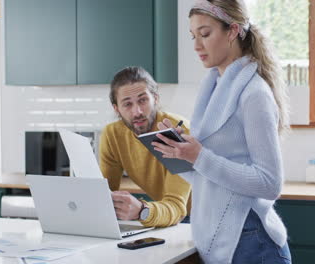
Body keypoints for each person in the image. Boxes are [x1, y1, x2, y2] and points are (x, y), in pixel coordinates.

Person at [152, 0, 292, 263]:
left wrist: (199, 156)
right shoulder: (214, 91)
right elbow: (209, 176)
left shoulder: (254, 94)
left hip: (253, 243)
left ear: (232, 31)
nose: (196, 46)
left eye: (205, 34)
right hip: (231, 239)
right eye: (193, 36)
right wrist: (181, 151)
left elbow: (270, 184)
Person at [99, 66, 191, 227]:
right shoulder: (112, 135)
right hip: (165, 216)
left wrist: (142, 210)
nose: (137, 112)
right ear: (116, 109)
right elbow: (104, 194)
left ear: (155, 98)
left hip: (202, 217)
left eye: (143, 100)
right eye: (127, 104)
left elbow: (177, 206)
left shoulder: (178, 131)